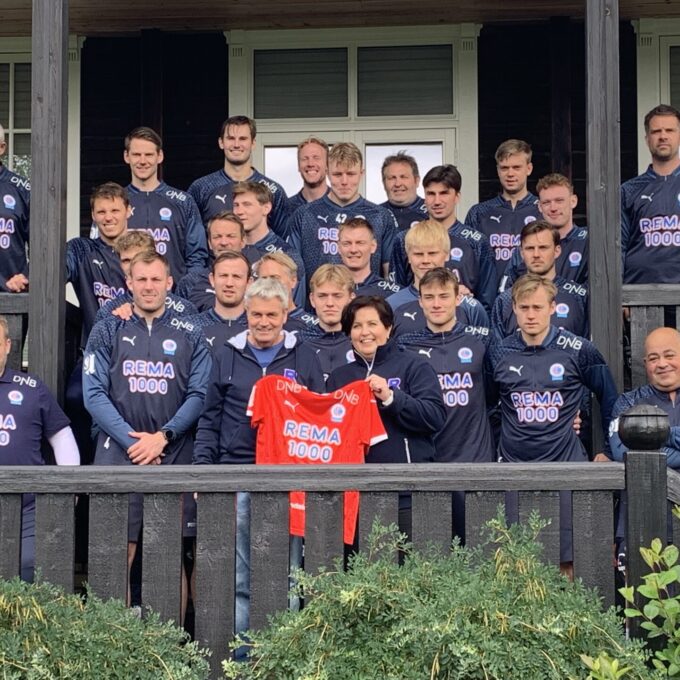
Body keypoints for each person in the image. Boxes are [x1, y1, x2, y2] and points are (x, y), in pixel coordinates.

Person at [193, 277, 324, 635]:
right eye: (256, 315)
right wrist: (204, 471)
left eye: (271, 315)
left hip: (289, 478)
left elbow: (319, 418)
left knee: (290, 572)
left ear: (285, 315)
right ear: (246, 313)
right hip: (237, 474)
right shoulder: (226, 354)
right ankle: (242, 652)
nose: (263, 322)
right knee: (240, 573)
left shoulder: (305, 355)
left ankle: (285, 649)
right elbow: (210, 419)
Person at [83, 251, 211, 606]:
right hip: (116, 453)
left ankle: (169, 641)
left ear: (169, 282)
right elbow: (93, 394)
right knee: (115, 557)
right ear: (129, 283)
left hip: (173, 453)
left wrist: (162, 438)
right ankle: (115, 641)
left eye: (156, 279)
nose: (149, 286)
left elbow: (200, 394)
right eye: (141, 279)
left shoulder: (191, 330)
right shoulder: (108, 327)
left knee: (169, 558)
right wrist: (134, 442)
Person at [488, 274, 618, 572]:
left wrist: (607, 450)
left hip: (565, 467)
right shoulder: (499, 352)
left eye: (537, 307)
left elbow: (610, 399)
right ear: (514, 309)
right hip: (513, 469)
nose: (530, 315)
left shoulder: (578, 349)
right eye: (524, 308)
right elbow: (488, 405)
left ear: (552, 307)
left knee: (567, 562)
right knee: (516, 562)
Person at [327, 295, 446, 535]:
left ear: (388, 328)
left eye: (372, 324)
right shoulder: (339, 377)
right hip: (354, 496)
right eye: (357, 326)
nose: (365, 332)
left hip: (407, 493)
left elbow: (434, 417)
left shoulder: (414, 366)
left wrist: (391, 397)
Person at [398, 268, 495, 540]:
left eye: (443, 296)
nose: (436, 304)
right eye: (429, 297)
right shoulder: (405, 346)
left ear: (458, 298)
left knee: (478, 547)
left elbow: (499, 390)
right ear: (420, 301)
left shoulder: (482, 340)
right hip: (427, 464)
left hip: (474, 461)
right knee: (432, 549)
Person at [0, 315, 79, 581]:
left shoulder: (32, 389)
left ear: (8, 346)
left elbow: (62, 436)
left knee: (29, 568)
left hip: (28, 507)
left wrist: (69, 486)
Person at [390, 165, 496, 316]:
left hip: (462, 323)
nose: (437, 201)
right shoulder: (404, 239)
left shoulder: (477, 242)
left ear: (457, 196)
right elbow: (397, 290)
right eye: (431, 194)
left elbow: (486, 302)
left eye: (444, 193)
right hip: (413, 320)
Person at [288, 142, 397, 281]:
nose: (344, 181)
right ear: (327, 173)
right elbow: (292, 271)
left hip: (367, 295)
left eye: (351, 174)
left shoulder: (381, 216)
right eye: (337, 174)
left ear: (361, 174)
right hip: (318, 294)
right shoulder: (304, 215)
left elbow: (390, 275)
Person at [123, 126, 208, 282]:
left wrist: (187, 289)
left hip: (173, 293)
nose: (142, 161)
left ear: (160, 156)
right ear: (126, 156)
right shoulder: (115, 203)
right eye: (136, 155)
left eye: (149, 155)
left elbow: (197, 256)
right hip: (124, 292)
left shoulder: (183, 201)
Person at [188, 115, 289, 239]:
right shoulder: (201, 187)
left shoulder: (274, 191)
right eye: (231, 138)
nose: (236, 144)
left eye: (243, 139)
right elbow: (192, 240)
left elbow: (282, 241)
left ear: (253, 143)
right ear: (221, 142)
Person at [386, 220, 489, 337]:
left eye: (432, 253)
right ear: (408, 257)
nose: (425, 260)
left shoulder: (470, 307)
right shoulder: (392, 305)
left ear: (447, 255)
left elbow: (483, 345)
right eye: (418, 254)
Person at [491, 221, 588, 340]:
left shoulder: (579, 297)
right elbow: (497, 349)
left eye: (543, 248)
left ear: (557, 251)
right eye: (530, 248)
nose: (536, 254)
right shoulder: (505, 300)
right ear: (522, 253)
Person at [465, 139, 542, 286]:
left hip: (533, 293)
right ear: (498, 170)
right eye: (504, 168)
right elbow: (468, 261)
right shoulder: (479, 213)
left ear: (529, 168)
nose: (510, 174)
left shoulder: (543, 210)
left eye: (516, 167)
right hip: (489, 295)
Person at [621, 104, 680, 283]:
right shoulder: (628, 190)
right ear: (647, 139)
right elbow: (617, 247)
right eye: (656, 131)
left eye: (669, 130)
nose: (663, 136)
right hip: (639, 292)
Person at [500, 173, 589, 289]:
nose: (553, 208)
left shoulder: (588, 241)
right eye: (546, 202)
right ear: (539, 206)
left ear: (573, 201)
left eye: (559, 201)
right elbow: (505, 292)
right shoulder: (526, 247)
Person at [609, 327, 680, 467]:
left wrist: (655, 434)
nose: (662, 364)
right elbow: (622, 453)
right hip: (648, 481)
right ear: (645, 364)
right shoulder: (628, 402)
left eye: (669, 356)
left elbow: (641, 453)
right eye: (653, 358)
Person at [95, 230, 197, 323]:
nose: (132, 265)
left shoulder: (185, 310)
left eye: (138, 257)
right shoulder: (108, 312)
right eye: (126, 261)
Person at [232, 181, 306, 307]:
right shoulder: (227, 249)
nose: (239, 211)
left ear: (266, 208)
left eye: (247, 205)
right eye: (236, 205)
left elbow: (295, 308)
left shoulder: (287, 255)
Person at [176, 211, 248, 312]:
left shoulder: (258, 281)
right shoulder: (189, 282)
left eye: (230, 236)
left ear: (243, 241)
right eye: (217, 237)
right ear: (209, 243)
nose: (224, 242)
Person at [299, 264, 355, 382]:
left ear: (351, 298)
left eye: (337, 296)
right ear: (312, 299)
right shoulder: (299, 342)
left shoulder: (361, 340)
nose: (330, 303)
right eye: (322, 296)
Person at [191, 251, 251, 351]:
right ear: (212, 280)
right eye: (223, 275)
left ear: (249, 283)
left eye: (236, 276)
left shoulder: (259, 329)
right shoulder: (190, 327)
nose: (229, 283)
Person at [337, 218, 401, 298]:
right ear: (339, 247)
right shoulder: (326, 290)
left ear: (373, 246)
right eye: (347, 243)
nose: (353, 250)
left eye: (360, 243)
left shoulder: (393, 294)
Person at [0, 123, 30, 293]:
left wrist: (26, 276)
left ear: (2, 148)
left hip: (10, 296)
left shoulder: (22, 189)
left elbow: (43, 246)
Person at [255, 251, 317, 333]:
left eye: (275, 278)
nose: (269, 283)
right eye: (264, 279)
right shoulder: (251, 323)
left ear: (293, 280)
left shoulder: (314, 327)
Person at [380, 152, 428, 231]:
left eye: (403, 177)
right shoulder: (374, 215)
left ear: (416, 181)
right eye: (392, 178)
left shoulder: (433, 212)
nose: (398, 184)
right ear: (384, 183)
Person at [287, 136, 329, 214]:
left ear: (327, 165)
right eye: (305, 159)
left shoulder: (341, 204)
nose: (310, 164)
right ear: (298, 166)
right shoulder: (286, 208)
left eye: (316, 158)